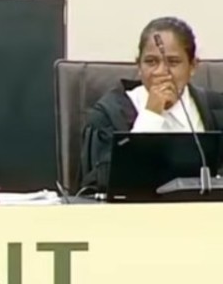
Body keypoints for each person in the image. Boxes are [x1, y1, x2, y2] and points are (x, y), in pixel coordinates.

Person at [79, 16, 223, 192]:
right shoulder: (108, 114)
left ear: (193, 66)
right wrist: (151, 114)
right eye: (151, 62)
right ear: (139, 66)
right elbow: (101, 185)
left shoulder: (217, 110)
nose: (161, 72)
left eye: (173, 62)